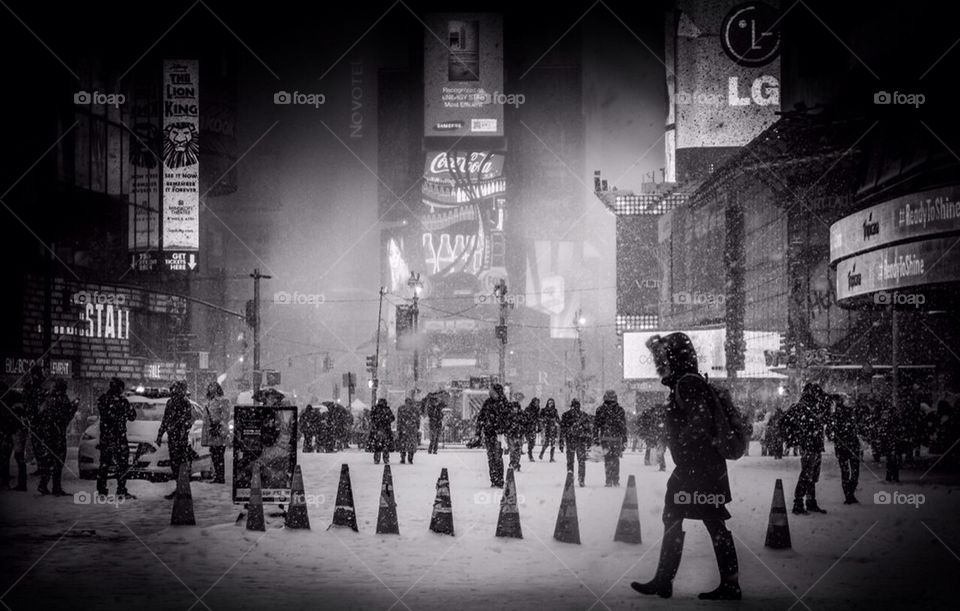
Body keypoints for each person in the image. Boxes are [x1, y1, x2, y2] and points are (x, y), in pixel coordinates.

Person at [632, 332, 741, 601]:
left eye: (662, 356)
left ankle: (670, 580)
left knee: (706, 521)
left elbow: (700, 420)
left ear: (674, 357)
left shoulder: (687, 383)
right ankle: (667, 580)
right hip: (701, 468)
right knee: (687, 518)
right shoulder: (687, 381)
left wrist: (683, 443)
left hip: (697, 469)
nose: (658, 363)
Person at [784, 383, 829, 514]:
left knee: (812, 475)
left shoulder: (810, 406)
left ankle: (810, 502)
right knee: (807, 474)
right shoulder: (805, 407)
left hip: (814, 445)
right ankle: (798, 503)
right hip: (810, 445)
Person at [34, 379, 78, 495]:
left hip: (48, 433)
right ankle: (55, 487)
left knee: (49, 460)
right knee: (58, 461)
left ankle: (44, 484)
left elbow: (41, 415)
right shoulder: (62, 400)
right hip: (57, 434)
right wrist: (74, 407)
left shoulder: (48, 399)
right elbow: (65, 418)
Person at [96, 378, 137, 499]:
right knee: (122, 464)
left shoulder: (103, 399)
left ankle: (102, 491)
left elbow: (105, 414)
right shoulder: (123, 402)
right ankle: (121, 490)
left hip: (106, 437)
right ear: (120, 388)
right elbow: (132, 416)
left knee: (104, 464)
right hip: (119, 437)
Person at [157, 381, 195, 499]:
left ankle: (182, 489)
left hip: (180, 438)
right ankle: (179, 488)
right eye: (173, 389)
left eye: (176, 389)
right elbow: (165, 419)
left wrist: (180, 427)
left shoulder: (185, 403)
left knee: (181, 464)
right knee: (175, 465)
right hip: (172, 438)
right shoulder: (170, 402)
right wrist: (160, 434)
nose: (174, 391)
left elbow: (188, 420)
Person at [826, 393, 861, 504]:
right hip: (847, 445)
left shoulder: (837, 415)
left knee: (846, 472)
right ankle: (849, 493)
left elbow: (829, 432)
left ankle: (849, 494)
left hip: (845, 446)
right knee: (852, 471)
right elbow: (829, 432)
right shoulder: (840, 414)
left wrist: (834, 435)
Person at [474, 384, 507, 487]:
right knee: (491, 457)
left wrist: (502, 428)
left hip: (498, 434)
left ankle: (499, 479)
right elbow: (481, 417)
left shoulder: (503, 404)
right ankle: (493, 479)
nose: (490, 392)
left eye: (492, 391)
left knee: (497, 456)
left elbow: (507, 419)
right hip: (489, 434)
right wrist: (478, 432)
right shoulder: (488, 403)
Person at [595, 390, 627, 486]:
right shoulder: (620, 410)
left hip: (605, 438)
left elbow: (596, 425)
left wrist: (595, 438)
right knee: (616, 460)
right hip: (616, 439)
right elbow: (623, 426)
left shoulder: (600, 410)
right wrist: (624, 438)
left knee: (607, 460)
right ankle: (615, 480)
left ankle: (608, 480)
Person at [0, 382, 28, 491]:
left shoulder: (4, 399)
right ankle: (21, 482)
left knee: (5, 456)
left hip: (11, 430)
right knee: (18, 457)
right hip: (18, 430)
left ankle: (6, 481)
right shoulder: (16, 397)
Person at [201, 381, 230, 484]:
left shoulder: (223, 400)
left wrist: (218, 425)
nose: (211, 388)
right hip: (211, 432)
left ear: (218, 388)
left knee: (219, 455)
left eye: (213, 386)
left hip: (219, 432)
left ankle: (220, 477)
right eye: (210, 386)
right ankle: (217, 475)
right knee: (214, 455)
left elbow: (226, 416)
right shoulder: (208, 401)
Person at [559, 399, 592, 487]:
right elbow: (588, 430)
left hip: (570, 440)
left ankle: (570, 478)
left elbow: (562, 430)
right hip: (580, 441)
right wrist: (589, 441)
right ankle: (581, 479)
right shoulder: (584, 415)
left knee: (570, 461)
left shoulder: (566, 415)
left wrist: (561, 442)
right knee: (581, 461)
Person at [504, 391, 526, 472]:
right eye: (514, 408)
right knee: (513, 450)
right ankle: (514, 463)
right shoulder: (511, 415)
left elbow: (524, 423)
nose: (515, 409)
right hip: (512, 434)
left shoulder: (520, 415)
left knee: (517, 450)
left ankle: (515, 463)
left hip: (518, 434)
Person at [368, 398, 394, 465]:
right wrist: (386, 420)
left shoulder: (375, 409)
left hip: (377, 429)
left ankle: (377, 459)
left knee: (378, 445)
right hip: (385, 429)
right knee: (385, 445)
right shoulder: (387, 409)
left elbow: (371, 418)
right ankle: (385, 459)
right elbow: (392, 418)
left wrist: (377, 422)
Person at [397, 397, 420, 464]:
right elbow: (417, 419)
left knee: (403, 444)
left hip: (404, 428)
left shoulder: (401, 409)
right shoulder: (415, 409)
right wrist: (417, 427)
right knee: (411, 444)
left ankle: (403, 458)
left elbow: (399, 419)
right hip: (412, 429)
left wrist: (399, 428)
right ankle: (410, 458)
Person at [523, 397, 541, 462]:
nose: (537, 404)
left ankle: (529, 451)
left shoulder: (538, 410)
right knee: (530, 440)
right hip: (527, 427)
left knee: (533, 442)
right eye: (535, 402)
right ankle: (530, 454)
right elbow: (524, 417)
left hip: (533, 428)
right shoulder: (528, 409)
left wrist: (539, 427)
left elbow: (538, 419)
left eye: (538, 403)